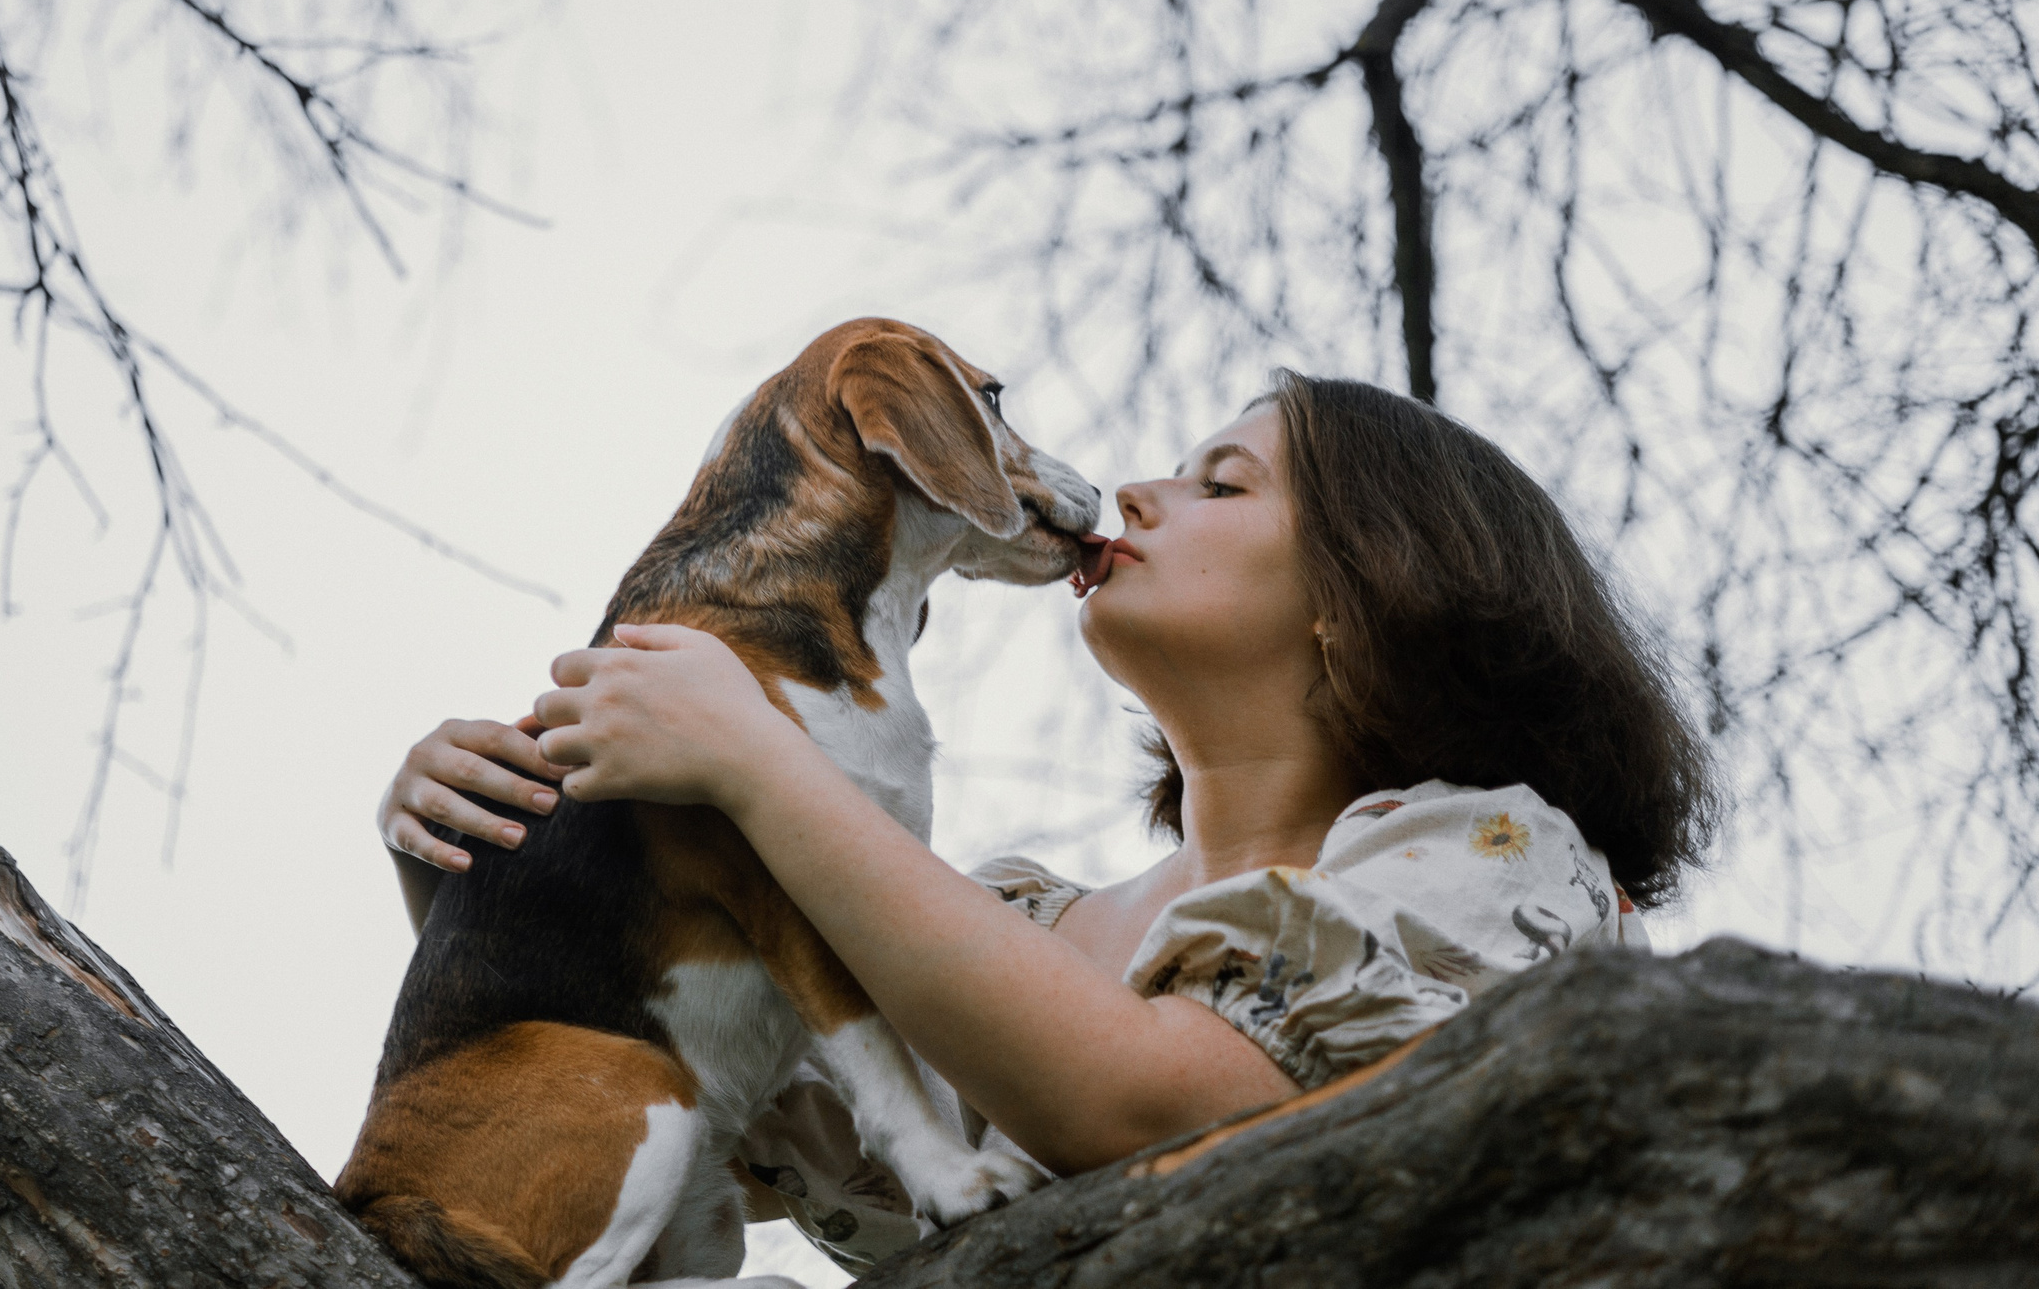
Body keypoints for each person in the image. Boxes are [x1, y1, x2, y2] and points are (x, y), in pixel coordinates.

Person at [376, 371, 1718, 1268]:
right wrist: (484, 861)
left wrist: (757, 762)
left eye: (1224, 483)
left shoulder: (1494, 853)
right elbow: (674, 1088)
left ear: (1375, 580)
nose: (1137, 493)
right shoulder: (1012, 923)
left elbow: (1151, 1099)